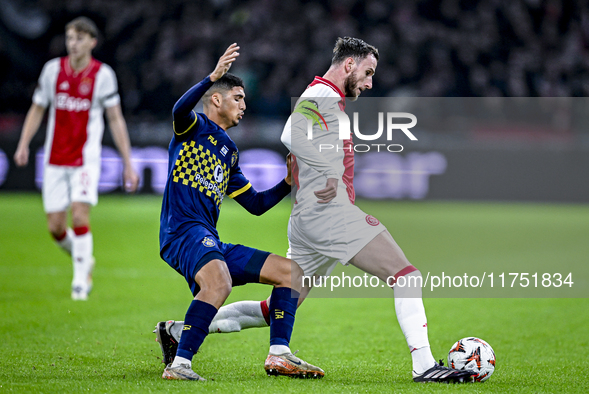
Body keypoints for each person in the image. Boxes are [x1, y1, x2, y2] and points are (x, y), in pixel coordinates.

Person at [156, 37, 477, 383]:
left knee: (277, 304)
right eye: (368, 73)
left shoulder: (248, 141)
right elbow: (291, 134)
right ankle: (425, 366)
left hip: (308, 218)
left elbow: (257, 201)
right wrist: (324, 170)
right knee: (406, 275)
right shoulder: (321, 95)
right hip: (327, 214)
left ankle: (179, 332)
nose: (370, 83)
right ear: (349, 65)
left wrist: (290, 181)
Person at [156, 43, 323, 381]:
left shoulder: (229, 151)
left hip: (208, 238)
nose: (244, 105)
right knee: (219, 283)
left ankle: (279, 353)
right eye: (237, 98)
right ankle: (180, 365)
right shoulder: (193, 128)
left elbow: (256, 205)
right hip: (182, 232)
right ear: (216, 99)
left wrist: (287, 183)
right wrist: (210, 78)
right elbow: (178, 109)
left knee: (291, 273)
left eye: (245, 99)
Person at [13, 17, 139, 301]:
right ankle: (85, 259)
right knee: (56, 227)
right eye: (70, 38)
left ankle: (80, 282)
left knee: (80, 214)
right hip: (54, 159)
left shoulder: (102, 75)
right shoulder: (52, 71)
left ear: (92, 42)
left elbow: (115, 119)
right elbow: (37, 109)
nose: (73, 43)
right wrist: (23, 143)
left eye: (80, 38)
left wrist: (128, 163)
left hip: (85, 159)